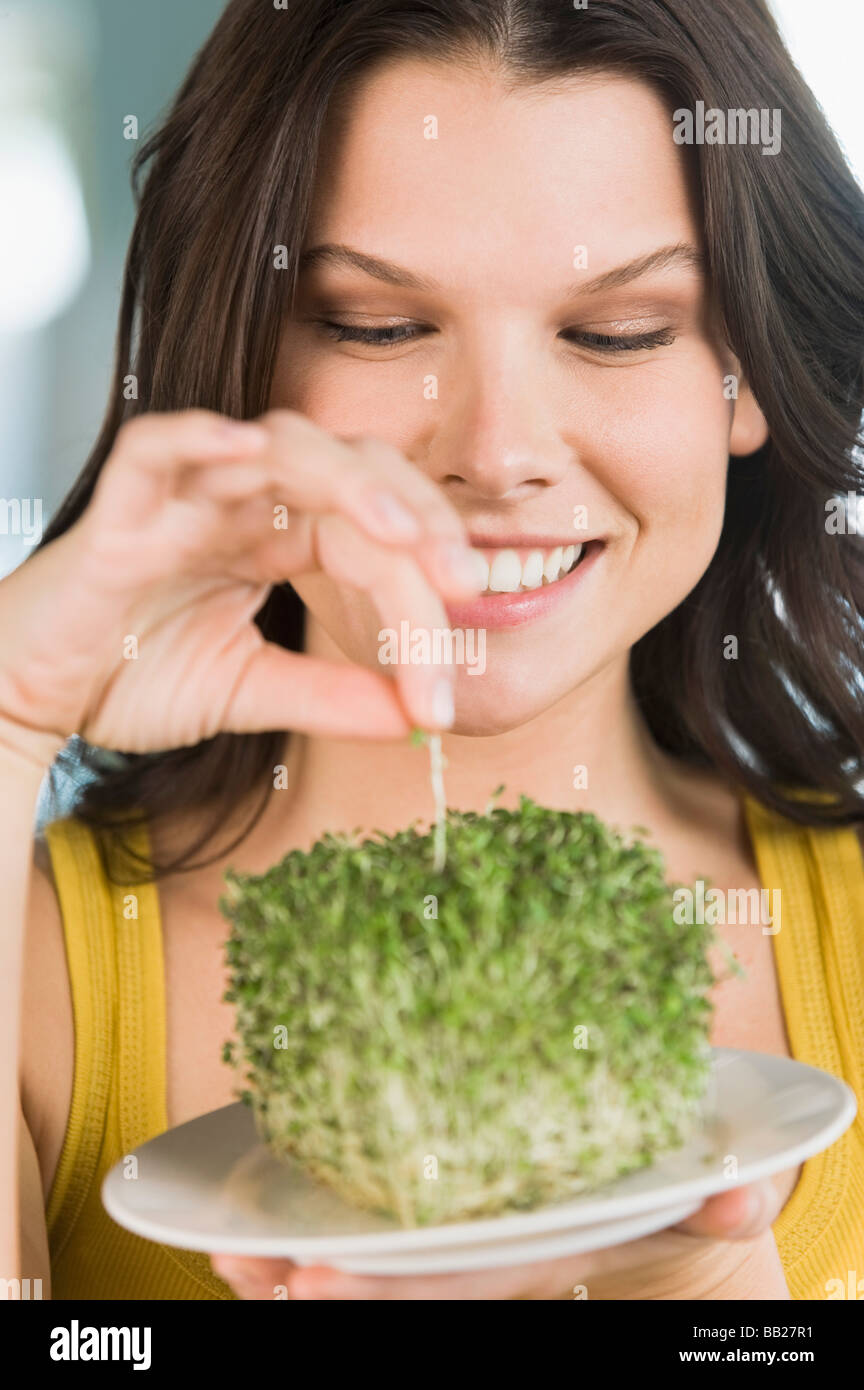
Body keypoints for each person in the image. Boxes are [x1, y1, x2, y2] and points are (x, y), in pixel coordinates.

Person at [3, 0, 863, 1301]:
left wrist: (711, 1299)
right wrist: (10, 714)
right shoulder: (44, 978)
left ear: (743, 374)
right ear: (241, 361)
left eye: (617, 330)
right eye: (376, 325)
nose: (496, 450)